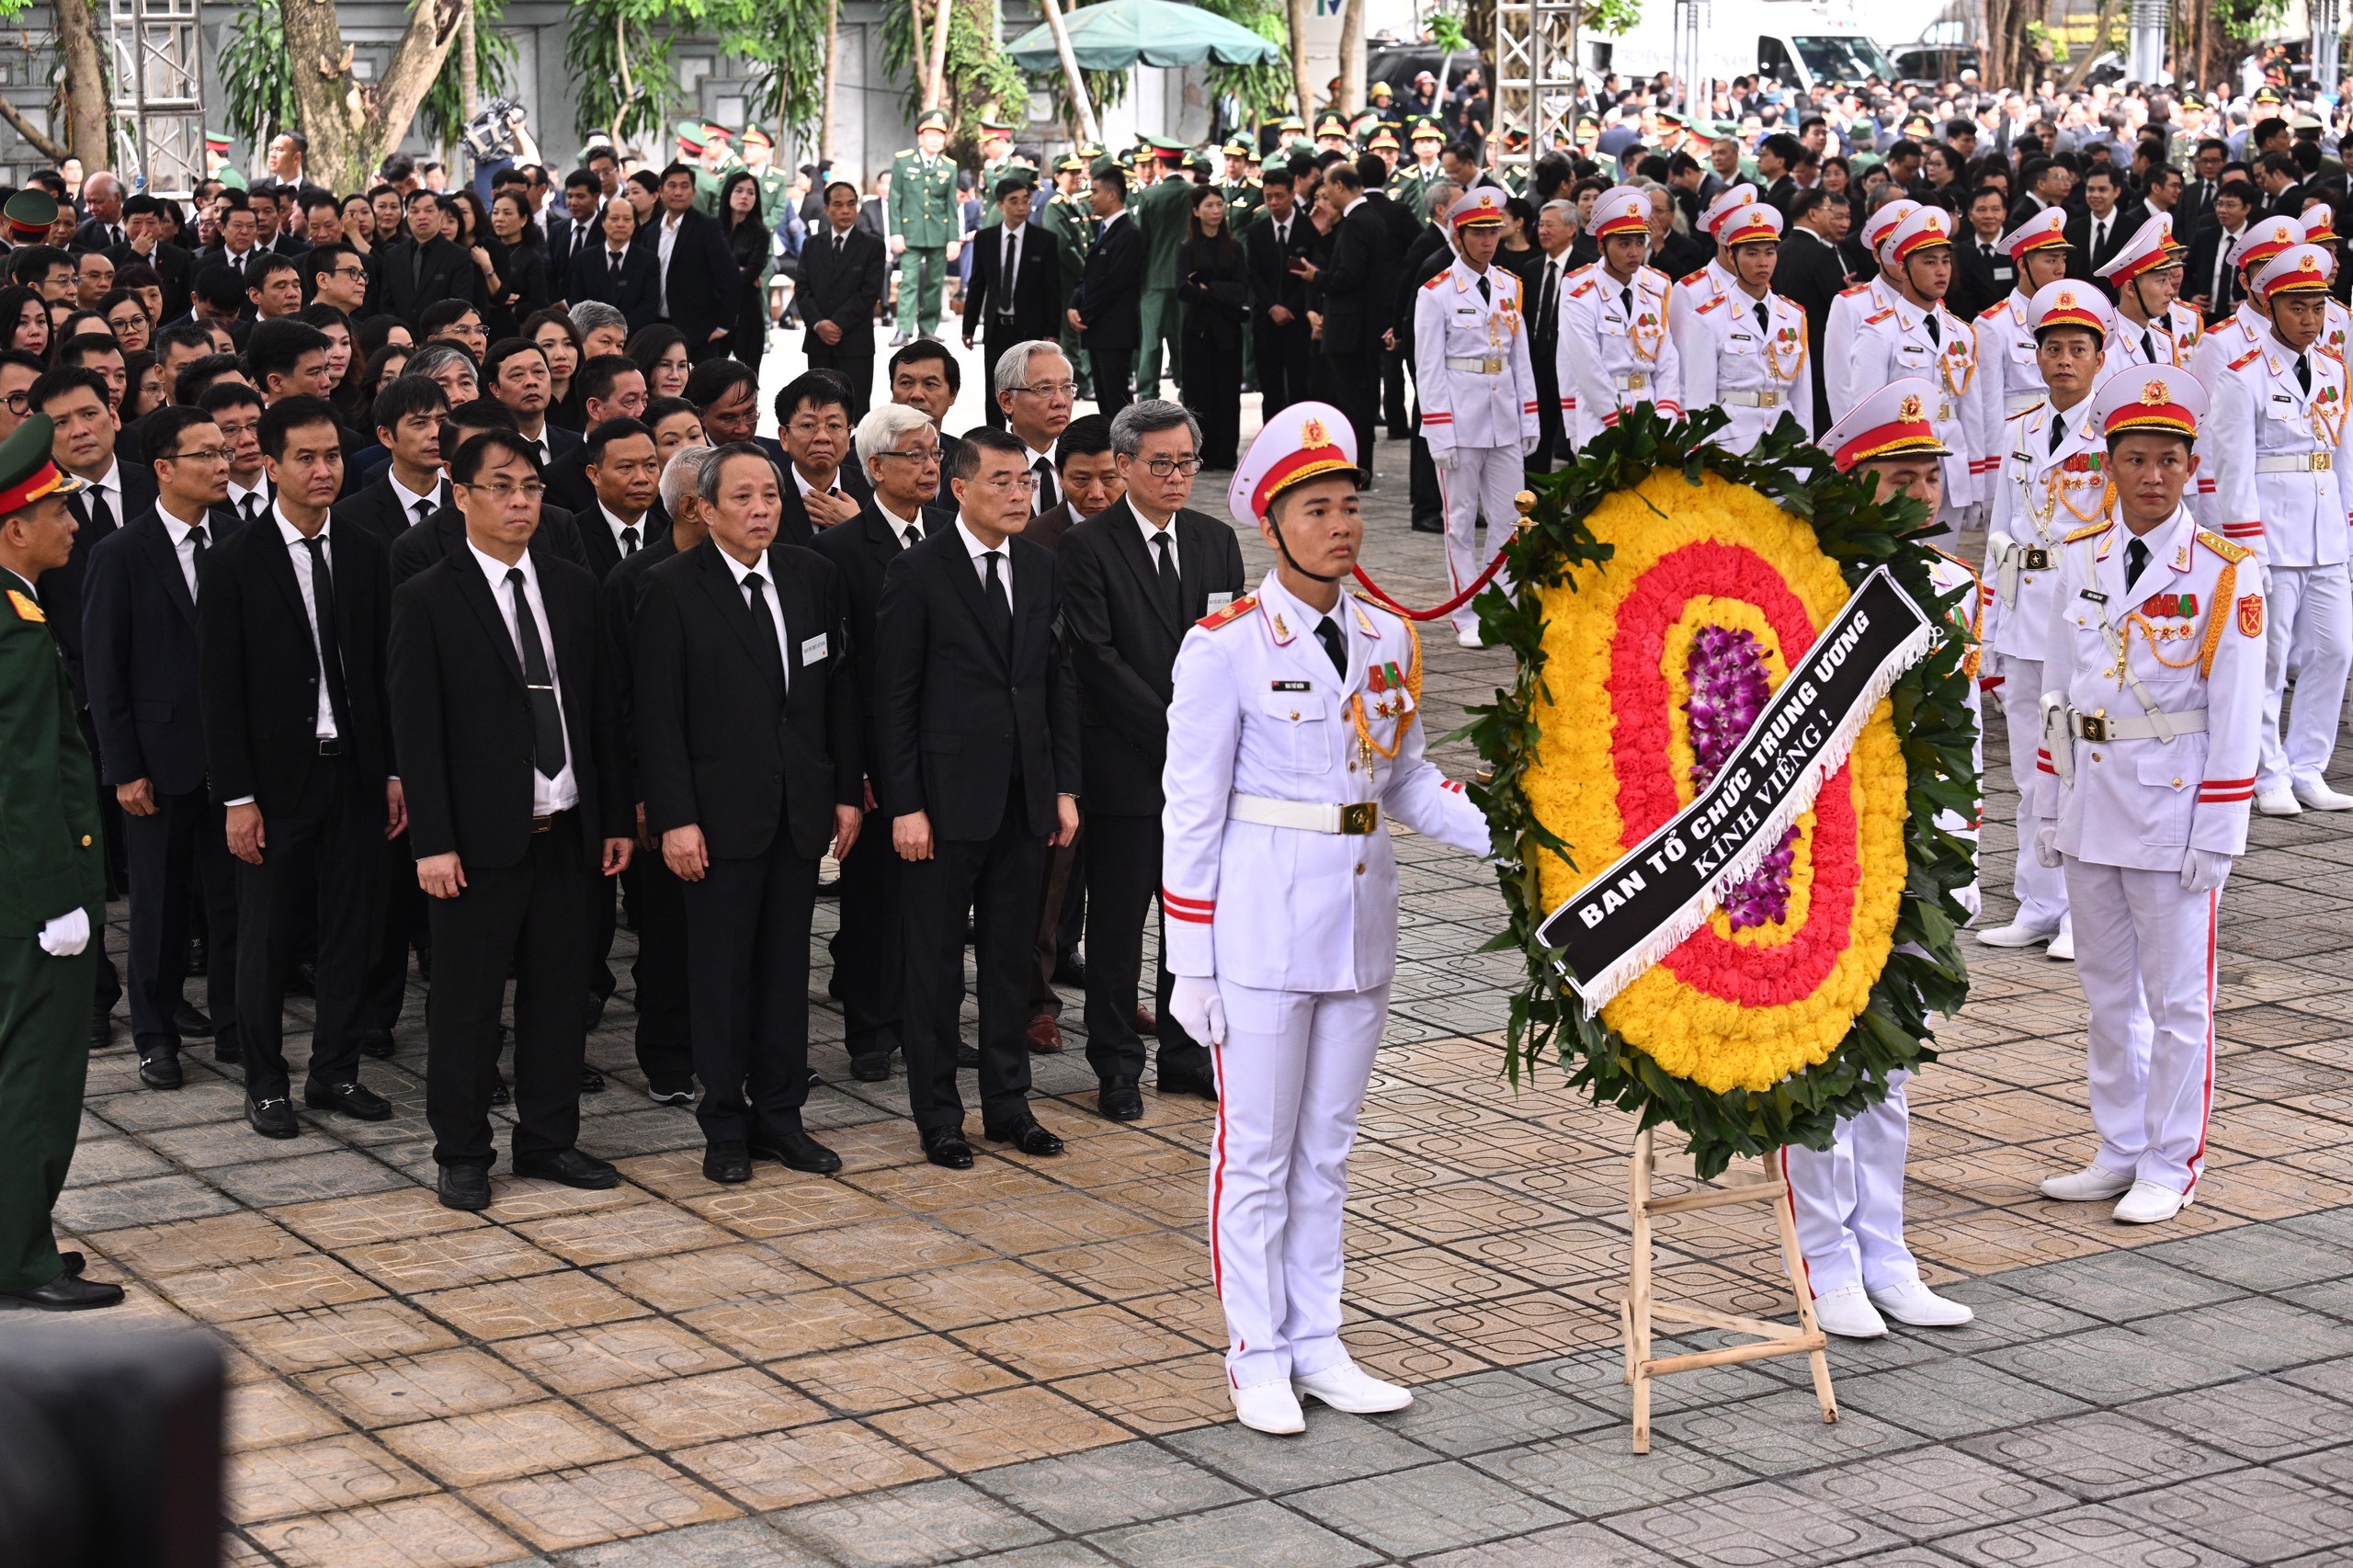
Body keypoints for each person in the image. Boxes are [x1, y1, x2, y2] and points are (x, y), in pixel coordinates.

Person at [1161, 400, 1491, 1434]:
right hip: (1258, 923)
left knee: (1328, 1150)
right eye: (1317, 508)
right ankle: (1255, 1351)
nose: (1341, 524)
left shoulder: (1387, 632)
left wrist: (1523, 837)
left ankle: (1319, 1337)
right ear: (1272, 520)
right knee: (1253, 1153)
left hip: (1358, 922)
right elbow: (1190, 807)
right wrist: (1192, 961)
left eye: (1350, 504)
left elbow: (1404, 780)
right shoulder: (1223, 645)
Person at [2031, 364, 2262, 1226]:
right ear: (2109, 465)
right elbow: (2058, 693)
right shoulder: (2080, 557)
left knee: (2177, 1002)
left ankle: (2173, 1159)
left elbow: (2239, 713)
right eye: (2136, 458)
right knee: (2106, 993)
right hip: (2091, 801)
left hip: (2174, 809)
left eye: (2170, 458)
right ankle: (2120, 1144)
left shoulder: (2225, 571)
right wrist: (2049, 807)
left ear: (2192, 466)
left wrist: (2222, 827)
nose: (2154, 475)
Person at [389, 427, 633, 1211]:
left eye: (530, 486)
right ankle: (462, 1151)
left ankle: (549, 1139)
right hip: (477, 841)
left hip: (565, 829)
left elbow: (599, 710)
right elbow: (416, 731)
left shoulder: (572, 585)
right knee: (466, 1003)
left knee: (560, 996)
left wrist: (615, 815)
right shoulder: (426, 595)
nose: (520, 501)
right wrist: (433, 841)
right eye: (501, 486)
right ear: (460, 495)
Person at [1795, 378, 1981, 1338]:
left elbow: (1966, 735)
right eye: (1897, 473)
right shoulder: (1808, 580)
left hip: (1912, 854)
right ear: (1854, 482)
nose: (1918, 488)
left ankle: (1888, 1251)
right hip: (1821, 854)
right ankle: (1825, 1258)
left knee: (1892, 1065)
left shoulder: (1950, 586)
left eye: (1927, 470)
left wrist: (1963, 855)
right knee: (1823, 1059)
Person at [634, 442, 861, 1182]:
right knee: (721, 976)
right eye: (743, 498)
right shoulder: (670, 588)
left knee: (783, 972)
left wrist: (843, 791)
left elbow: (832, 696)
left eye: (769, 495)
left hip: (797, 813)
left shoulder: (812, 575)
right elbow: (658, 715)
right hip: (715, 819)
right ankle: (724, 1124)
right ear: (704, 508)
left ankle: (781, 1116)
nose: (762, 509)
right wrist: (675, 818)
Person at [873, 426, 1079, 1169]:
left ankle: (1008, 1104)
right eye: (1001, 481)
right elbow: (894, 697)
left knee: (1007, 959)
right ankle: (938, 1114)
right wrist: (905, 805)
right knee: (931, 966)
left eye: (1024, 481)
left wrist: (1063, 788)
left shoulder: (1038, 564)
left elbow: (1055, 682)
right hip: (942, 800)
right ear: (959, 487)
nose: (1018, 494)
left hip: (1024, 797)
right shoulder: (920, 571)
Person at [199, 395, 401, 1140]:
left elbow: (382, 673)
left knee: (354, 928)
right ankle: (264, 1082)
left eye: (332, 457)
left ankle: (335, 1070)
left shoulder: (363, 548)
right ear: (272, 464)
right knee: (269, 936)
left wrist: (391, 773)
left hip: (352, 770)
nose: (324, 471)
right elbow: (217, 692)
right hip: (274, 784)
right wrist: (237, 797)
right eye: (306, 459)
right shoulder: (233, 562)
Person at [1055, 401, 1239, 1119]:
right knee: (1117, 924)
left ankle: (1186, 1054)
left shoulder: (1216, 542)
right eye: (1159, 463)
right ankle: (1116, 1066)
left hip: (1202, 775)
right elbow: (1095, 658)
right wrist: (1182, 728)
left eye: (1186, 461)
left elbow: (1231, 640)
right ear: (1124, 466)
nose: (1175, 476)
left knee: (1191, 920)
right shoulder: (1088, 547)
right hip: (1127, 766)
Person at [83, 403, 244, 1090]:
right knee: (158, 907)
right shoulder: (121, 553)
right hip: (158, 760)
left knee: (236, 900)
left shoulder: (240, 537)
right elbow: (103, 668)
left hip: (235, 762)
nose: (223, 463)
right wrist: (124, 769)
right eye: (205, 453)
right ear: (165, 469)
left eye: (225, 450)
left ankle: (240, 1025)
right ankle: (156, 1036)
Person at [0, 414, 121, 1310]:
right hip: (29, 897)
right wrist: (58, 897)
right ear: (16, 528)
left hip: (26, 889)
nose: (72, 525)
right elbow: (24, 776)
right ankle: (21, 1260)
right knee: (35, 1075)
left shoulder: (18, 611)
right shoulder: (10, 630)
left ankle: (24, 1232)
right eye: (55, 511)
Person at [1978, 279, 2113, 962]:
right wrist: (1992, 630)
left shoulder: (2118, 429)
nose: (2063, 359)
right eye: (2051, 347)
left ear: (2100, 353)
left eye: (2077, 348)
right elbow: (2002, 535)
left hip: (2088, 616)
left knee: (2081, 765)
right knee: (2033, 768)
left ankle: (2080, 913)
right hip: (2028, 614)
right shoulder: (2021, 429)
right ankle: (2037, 900)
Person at [2200, 244, 2353, 818]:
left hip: (2326, 535)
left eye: (2317, 307)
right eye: (2297, 307)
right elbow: (2231, 472)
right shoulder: (2243, 377)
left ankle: (2309, 764)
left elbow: (2343, 457)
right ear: (2270, 305)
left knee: (2337, 649)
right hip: (2272, 535)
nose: (2310, 319)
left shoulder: (2336, 370)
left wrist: (2348, 531)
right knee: (2269, 657)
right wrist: (2248, 551)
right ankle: (2268, 773)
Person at [597, 441, 714, 1105]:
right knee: (668, 936)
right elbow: (620, 701)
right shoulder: (636, 581)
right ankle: (669, 1061)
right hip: (661, 792)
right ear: (697, 506)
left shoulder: (764, 570)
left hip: (735, 785)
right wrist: (638, 795)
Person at [1413, 187, 1537, 653]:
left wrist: (1529, 417)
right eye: (1478, 233)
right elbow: (1428, 366)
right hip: (1460, 418)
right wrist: (1439, 428)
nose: (1489, 240)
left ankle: (1498, 606)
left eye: (1493, 231)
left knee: (1510, 518)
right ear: (1458, 236)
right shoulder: (1437, 292)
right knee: (1461, 522)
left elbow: (1518, 357)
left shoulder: (1509, 285)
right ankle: (1465, 612)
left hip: (1503, 414)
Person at [1824, 205, 1988, 532]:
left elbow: (1972, 412)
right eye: (1929, 262)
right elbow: (1863, 410)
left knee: (1946, 573)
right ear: (1903, 269)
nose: (1941, 271)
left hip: (1950, 470)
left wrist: (1977, 483)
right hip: (1897, 470)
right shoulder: (1878, 330)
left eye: (1945, 261)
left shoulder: (1962, 332)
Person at [1669, 201, 1813, 456]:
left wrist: (1804, 447)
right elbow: (1700, 400)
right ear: (1732, 257)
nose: (1762, 262)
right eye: (1752, 253)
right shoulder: (1708, 318)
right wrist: (1703, 454)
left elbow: (1801, 396)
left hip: (1782, 442)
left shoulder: (1793, 315)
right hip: (1733, 444)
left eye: (1769, 253)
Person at [1560, 186, 1683, 449]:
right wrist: (1622, 427)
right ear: (1602, 246)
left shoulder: (1656, 289)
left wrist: (1664, 419)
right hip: (1602, 421)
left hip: (1650, 416)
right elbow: (1587, 371)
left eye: (1640, 242)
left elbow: (1667, 361)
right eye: (1624, 244)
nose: (1634, 252)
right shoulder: (1581, 296)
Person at [962, 178, 1065, 431]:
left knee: (1029, 384)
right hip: (998, 325)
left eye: (1026, 201)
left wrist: (1052, 331)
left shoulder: (1044, 240)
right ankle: (995, 436)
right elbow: (978, 284)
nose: (1021, 207)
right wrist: (969, 326)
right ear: (1000, 205)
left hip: (1030, 327)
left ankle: (1028, 432)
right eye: (1014, 201)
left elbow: (1053, 288)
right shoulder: (986, 239)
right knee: (995, 384)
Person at [795, 180, 887, 419]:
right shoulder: (812, 245)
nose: (845, 210)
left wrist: (836, 325)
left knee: (854, 411)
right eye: (838, 204)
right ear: (826, 209)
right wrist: (818, 324)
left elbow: (869, 293)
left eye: (851, 204)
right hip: (818, 342)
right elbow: (802, 290)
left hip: (855, 342)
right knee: (817, 410)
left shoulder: (872, 246)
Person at [1978, 209, 2075, 421]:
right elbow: (1989, 401)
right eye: (2051, 260)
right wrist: (1995, 454)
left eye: (2063, 259)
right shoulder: (1994, 325)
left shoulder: (2068, 318)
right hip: (2016, 431)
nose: (2060, 269)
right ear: (2023, 265)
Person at [1176, 187, 1249, 470]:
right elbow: (1184, 289)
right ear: (1197, 211)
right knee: (1199, 392)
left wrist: (1209, 289)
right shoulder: (1187, 248)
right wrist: (1213, 293)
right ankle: (1200, 452)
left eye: (1220, 204)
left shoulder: (1235, 247)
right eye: (1209, 205)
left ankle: (1226, 452)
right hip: (1198, 330)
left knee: (1228, 393)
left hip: (1228, 330)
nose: (1216, 211)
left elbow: (1241, 289)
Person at [1070, 167, 1142, 419]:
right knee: (1104, 400)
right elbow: (1090, 275)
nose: (1090, 197)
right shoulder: (1105, 231)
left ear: (1112, 195)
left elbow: (1114, 284)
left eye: (1095, 191)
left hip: (1114, 330)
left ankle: (1128, 450)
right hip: (1098, 329)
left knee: (1116, 400)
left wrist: (1084, 313)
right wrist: (1073, 304)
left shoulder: (1128, 234)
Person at [1246, 168, 1316, 420]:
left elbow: (1310, 277)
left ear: (1292, 194)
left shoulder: (1309, 228)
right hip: (1266, 320)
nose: (1273, 203)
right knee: (1271, 390)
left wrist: (1290, 308)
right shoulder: (1257, 230)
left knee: (1300, 388)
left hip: (1298, 321)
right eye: (1268, 197)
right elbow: (1254, 275)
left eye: (1279, 196)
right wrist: (1272, 307)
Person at [888, 111, 961, 344]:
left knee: (933, 284)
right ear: (920, 137)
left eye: (940, 135)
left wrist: (953, 239)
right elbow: (895, 200)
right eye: (930, 134)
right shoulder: (903, 161)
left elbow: (951, 206)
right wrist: (895, 233)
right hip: (910, 235)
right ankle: (904, 330)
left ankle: (928, 329)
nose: (935, 140)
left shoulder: (949, 167)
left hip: (939, 235)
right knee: (908, 281)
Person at [2098, 214, 2203, 369]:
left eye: (2168, 279)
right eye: (2161, 281)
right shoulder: (2103, 346)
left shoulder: (2164, 339)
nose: (2169, 290)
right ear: (2130, 288)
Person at [993, 342, 1076, 519]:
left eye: (1067, 387)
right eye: (1044, 389)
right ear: (1007, 401)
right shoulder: (985, 471)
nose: (1060, 401)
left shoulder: (1085, 465)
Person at [715, 170, 773, 370]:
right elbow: (704, 269)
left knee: (749, 374)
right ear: (728, 193)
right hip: (715, 309)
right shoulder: (713, 228)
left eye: (750, 192)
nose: (744, 197)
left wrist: (725, 272)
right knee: (710, 373)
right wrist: (736, 269)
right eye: (739, 191)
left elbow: (752, 272)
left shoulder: (760, 233)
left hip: (747, 310)